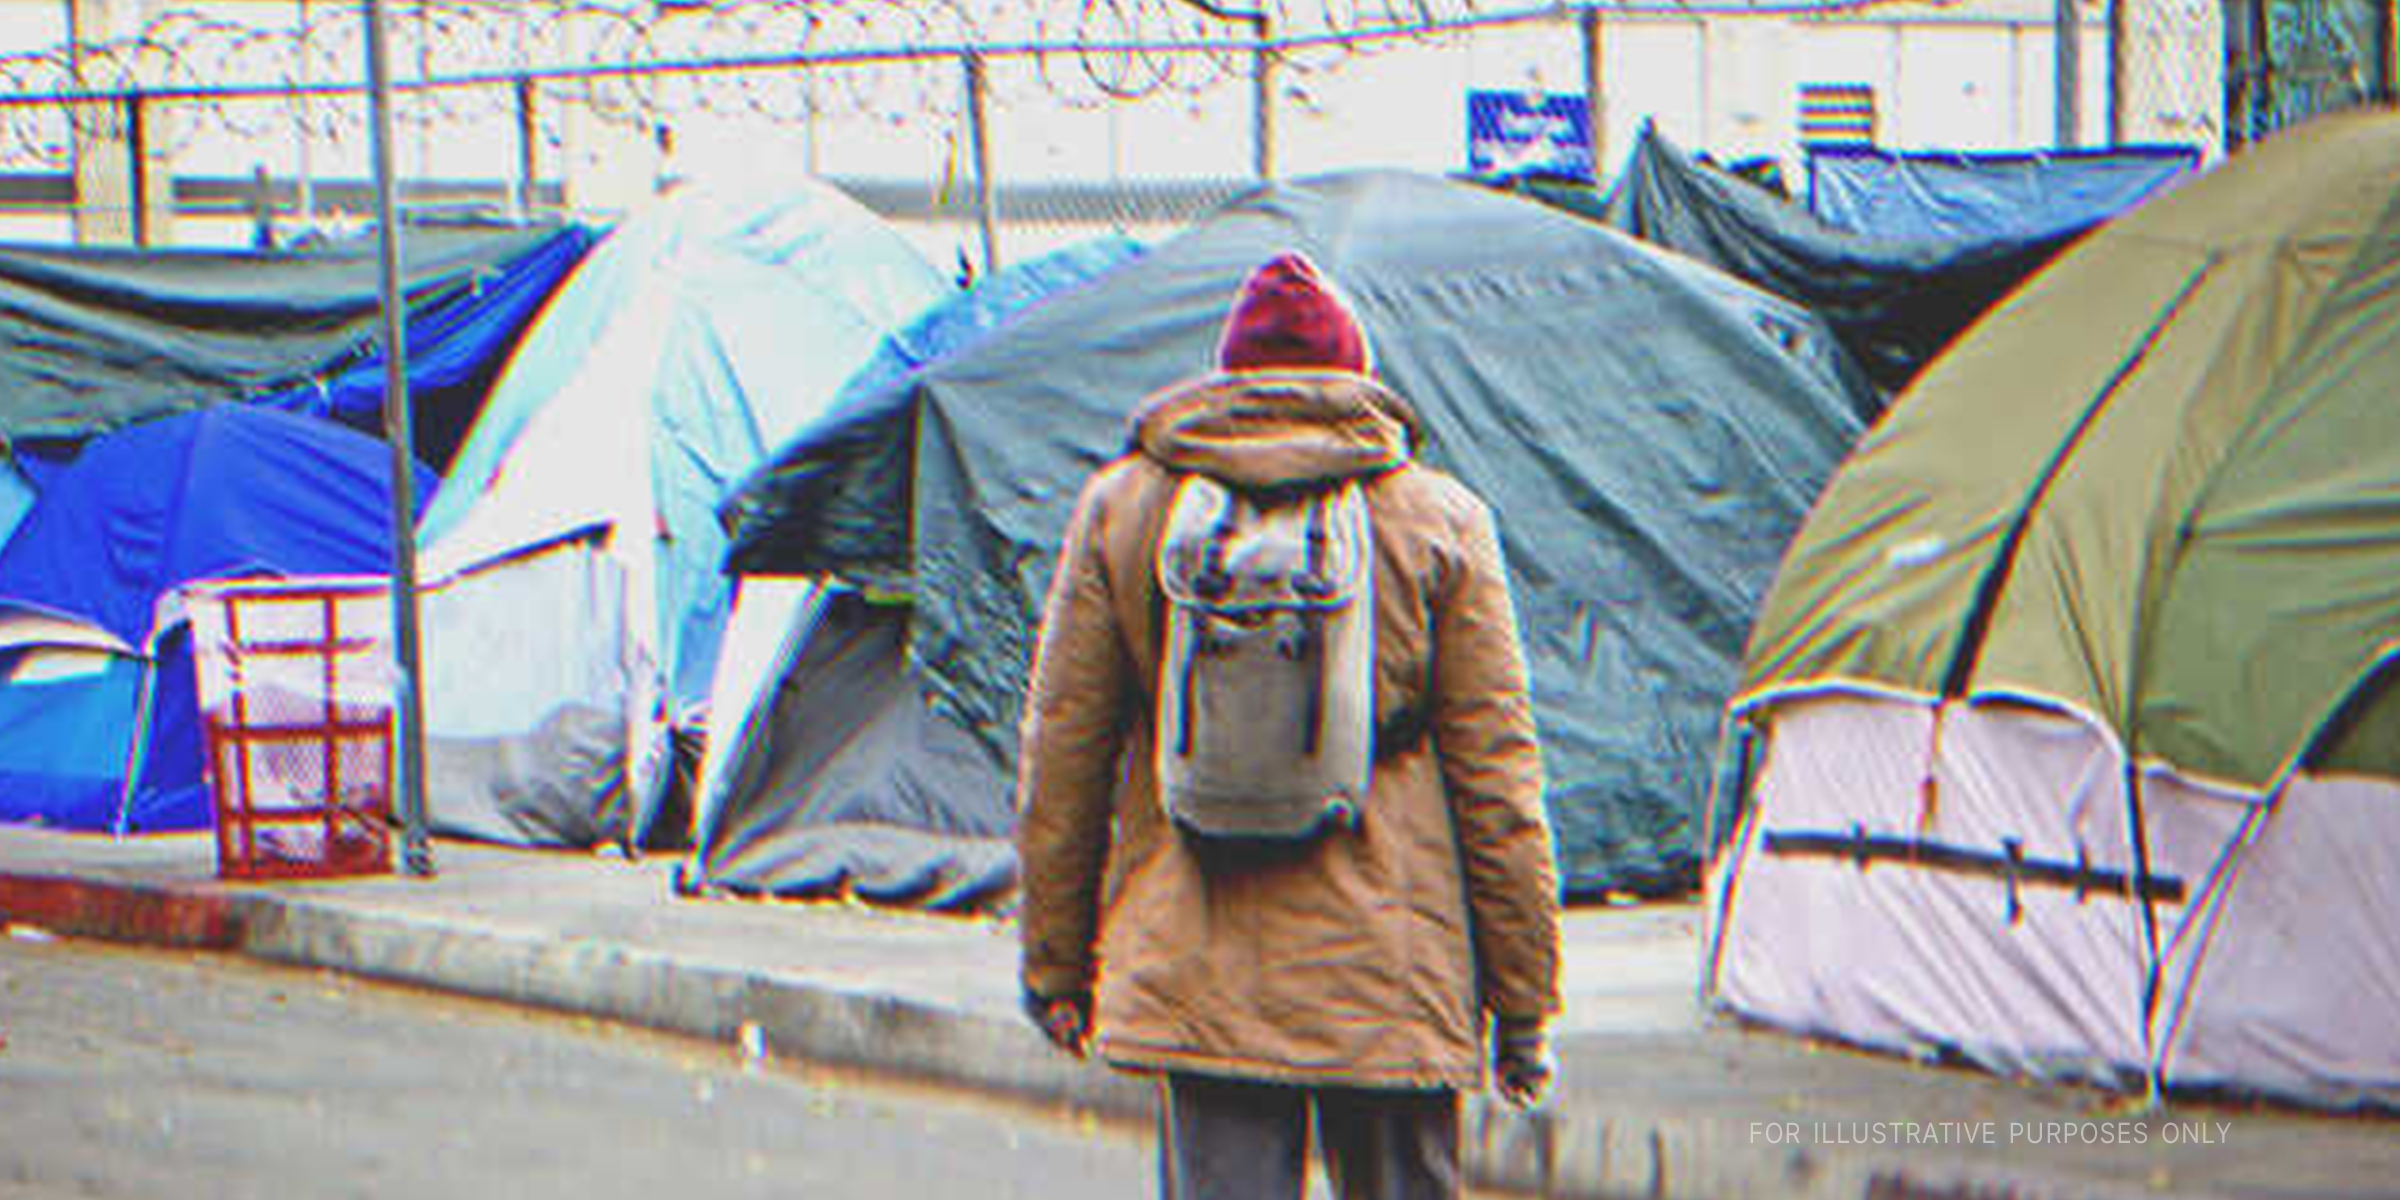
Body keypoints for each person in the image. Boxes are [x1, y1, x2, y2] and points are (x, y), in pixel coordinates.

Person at [1015, 251, 1562, 1200]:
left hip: (1199, 960)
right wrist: (1524, 1000)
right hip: (1391, 969)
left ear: (1227, 375)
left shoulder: (1125, 508)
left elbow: (1065, 751)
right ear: (1358, 374)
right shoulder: (1437, 520)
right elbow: (1497, 780)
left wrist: (1057, 964)